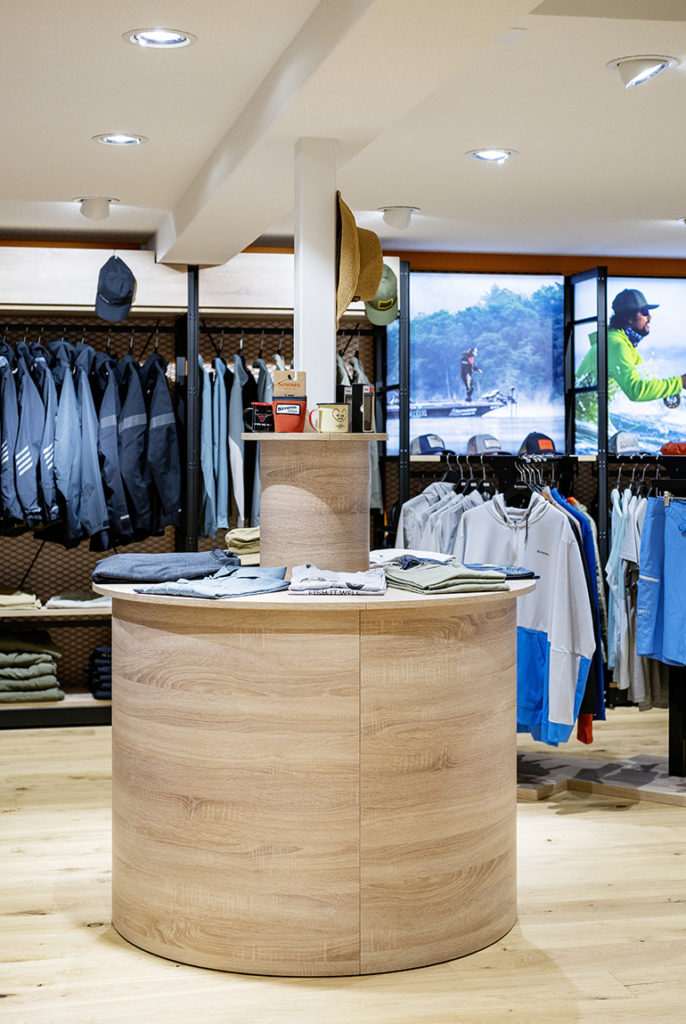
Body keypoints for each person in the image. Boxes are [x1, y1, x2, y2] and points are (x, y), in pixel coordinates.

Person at [576, 288, 686, 405]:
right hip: (584, 417)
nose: (649, 317)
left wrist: (674, 387)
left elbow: (646, 380)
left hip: (594, 415)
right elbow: (635, 391)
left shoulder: (624, 343)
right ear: (629, 317)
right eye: (645, 312)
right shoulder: (616, 345)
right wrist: (679, 382)